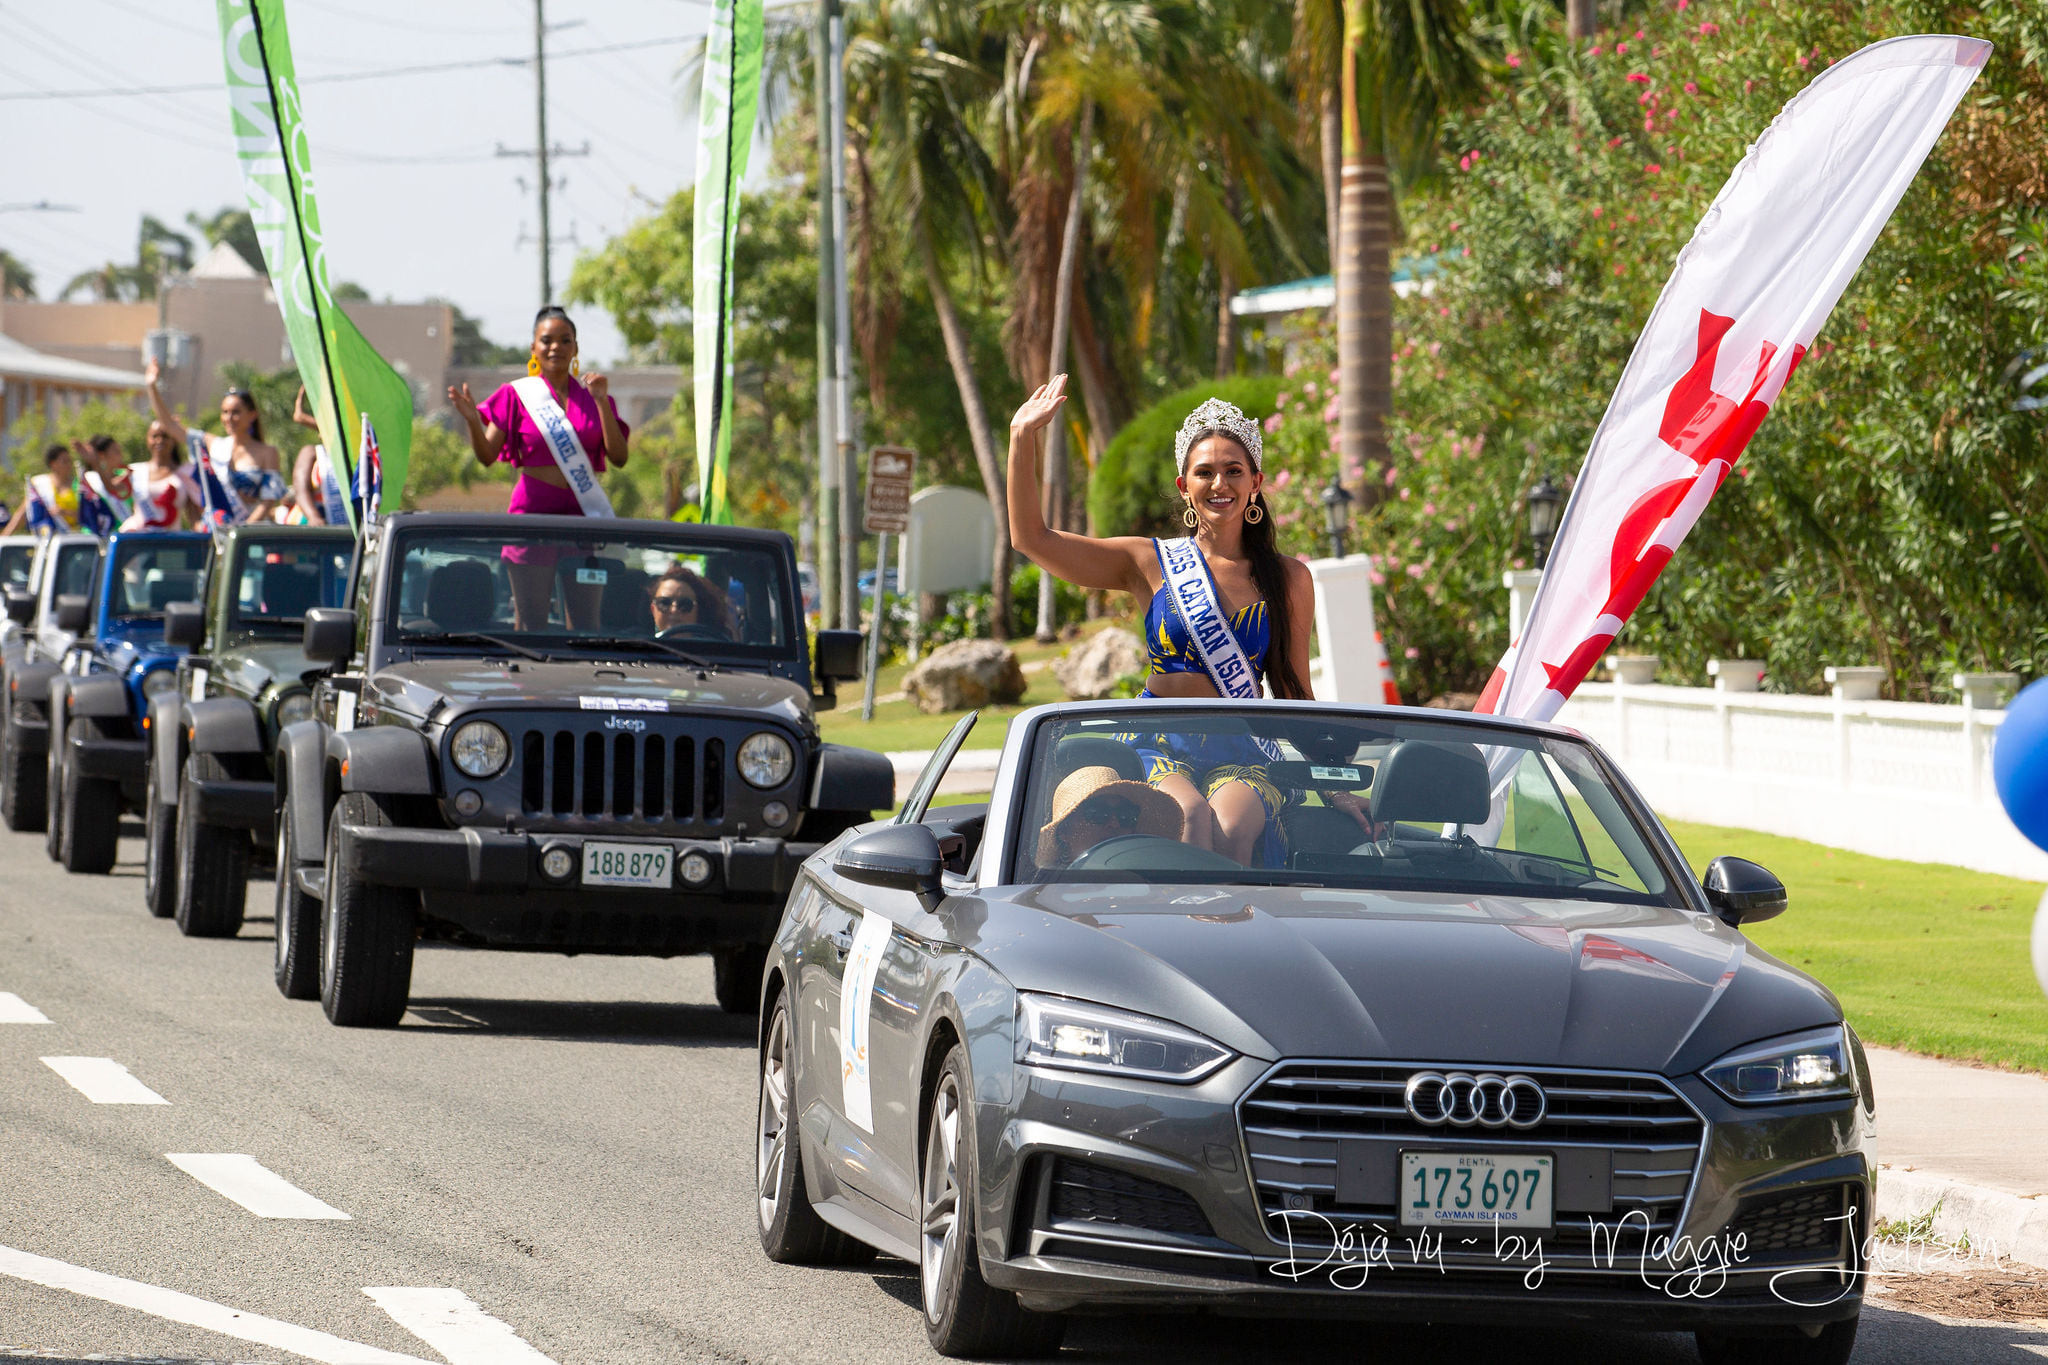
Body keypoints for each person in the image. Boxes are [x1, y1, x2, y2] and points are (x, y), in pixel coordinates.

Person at [1009, 378, 1366, 865]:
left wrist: (1331, 787)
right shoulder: (1149, 562)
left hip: (1242, 749)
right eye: (1205, 473)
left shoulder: (1288, 578)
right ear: (1185, 487)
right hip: (1157, 739)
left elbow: (1294, 691)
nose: (1220, 484)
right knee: (1191, 816)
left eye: (1233, 471)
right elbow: (1033, 539)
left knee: (1231, 825)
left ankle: (1234, 935)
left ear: (1255, 483)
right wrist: (1021, 437)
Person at [445, 305, 630, 630]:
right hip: (532, 514)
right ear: (534, 348)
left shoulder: (596, 398)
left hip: (584, 515)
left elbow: (619, 457)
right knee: (531, 624)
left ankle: (581, 682)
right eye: (546, 340)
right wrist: (474, 421)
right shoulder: (517, 395)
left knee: (586, 626)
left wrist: (601, 401)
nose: (555, 347)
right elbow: (487, 456)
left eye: (564, 340)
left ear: (575, 347)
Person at [143, 360, 288, 521]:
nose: (229, 418)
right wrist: (152, 387)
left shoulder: (267, 452)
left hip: (251, 533)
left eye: (236, 412)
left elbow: (268, 501)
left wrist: (242, 531)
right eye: (225, 412)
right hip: (218, 530)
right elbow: (169, 426)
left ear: (252, 415)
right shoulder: (215, 445)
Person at [1035, 765, 1185, 868]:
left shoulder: (1152, 887)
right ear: (1064, 830)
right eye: (1097, 814)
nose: (1114, 824)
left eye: (1125, 815)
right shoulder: (1044, 894)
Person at [287, 386, 352, 527]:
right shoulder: (312, 453)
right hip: (310, 524)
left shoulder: (352, 457)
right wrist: (314, 517)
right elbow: (300, 488)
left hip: (343, 529)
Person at [121, 421, 201, 530]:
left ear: (173, 439)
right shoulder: (134, 471)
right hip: (137, 540)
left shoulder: (185, 472)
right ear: (147, 440)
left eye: (165, 436)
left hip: (170, 542)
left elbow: (193, 514)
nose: (159, 441)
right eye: (154, 436)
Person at [3, 445, 80, 536]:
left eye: (69, 461)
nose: (69, 465)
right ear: (53, 464)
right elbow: (23, 513)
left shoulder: (78, 485)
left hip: (75, 539)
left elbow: (88, 514)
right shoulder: (40, 484)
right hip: (48, 537)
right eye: (64, 461)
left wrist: (65, 512)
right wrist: (4, 536)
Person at [650, 565, 735, 640]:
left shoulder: (716, 651)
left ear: (698, 610)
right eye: (664, 603)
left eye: (684, 604)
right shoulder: (640, 651)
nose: (674, 610)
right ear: (653, 609)